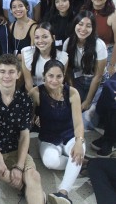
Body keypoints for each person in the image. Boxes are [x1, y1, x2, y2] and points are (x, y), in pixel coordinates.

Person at [0, 54, 44, 203]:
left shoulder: (25, 100)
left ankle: (33, 193)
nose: (7, 76)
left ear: (18, 74)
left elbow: (25, 136)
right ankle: (22, 187)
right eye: (2, 71)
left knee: (34, 177)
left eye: (11, 72)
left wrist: (19, 166)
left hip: (15, 147)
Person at [28, 60, 85, 204]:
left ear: (63, 76)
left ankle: (63, 193)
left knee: (77, 150)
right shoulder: (35, 92)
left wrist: (79, 141)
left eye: (58, 76)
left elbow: (78, 122)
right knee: (50, 161)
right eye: (50, 76)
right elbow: (28, 119)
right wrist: (34, 119)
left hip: (70, 134)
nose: (54, 80)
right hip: (48, 137)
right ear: (44, 76)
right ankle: (81, 163)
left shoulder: (72, 92)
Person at [63, 11, 107, 130]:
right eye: (80, 24)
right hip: (79, 82)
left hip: (98, 85)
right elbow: (68, 70)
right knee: (68, 111)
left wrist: (87, 101)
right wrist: (73, 90)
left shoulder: (99, 45)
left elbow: (98, 77)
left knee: (85, 122)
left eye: (88, 26)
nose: (83, 29)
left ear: (93, 28)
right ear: (75, 25)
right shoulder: (68, 42)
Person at [21, 22, 68, 92]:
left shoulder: (62, 57)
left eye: (45, 37)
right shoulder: (27, 53)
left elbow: (59, 83)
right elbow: (28, 84)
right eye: (37, 37)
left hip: (54, 91)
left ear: (53, 38)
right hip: (34, 91)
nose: (40, 41)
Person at [82, 0, 116, 76]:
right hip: (87, 51)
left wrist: (112, 65)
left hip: (107, 53)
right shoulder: (84, 10)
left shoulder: (113, 14)